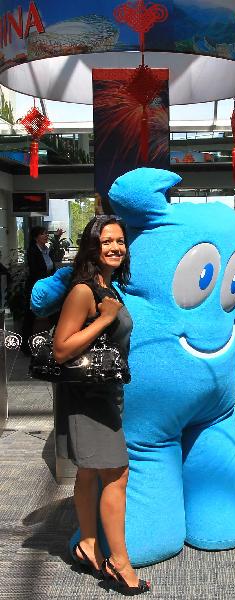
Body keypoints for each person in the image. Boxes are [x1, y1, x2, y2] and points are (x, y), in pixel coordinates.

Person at [53, 215, 149, 594]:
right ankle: (119, 561)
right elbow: (62, 349)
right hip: (87, 396)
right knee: (116, 473)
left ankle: (89, 544)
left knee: (91, 472)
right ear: (92, 247)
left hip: (105, 391)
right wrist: (105, 318)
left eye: (120, 241)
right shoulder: (84, 291)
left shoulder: (107, 285)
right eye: (106, 241)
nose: (115, 247)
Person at [21, 226, 64, 353]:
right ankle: (26, 346)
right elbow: (36, 271)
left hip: (48, 288)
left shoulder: (45, 250)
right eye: (43, 234)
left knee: (54, 313)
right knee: (31, 316)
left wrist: (56, 237)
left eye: (46, 234)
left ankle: (55, 343)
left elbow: (53, 256)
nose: (46, 236)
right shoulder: (33, 251)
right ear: (36, 237)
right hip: (37, 288)